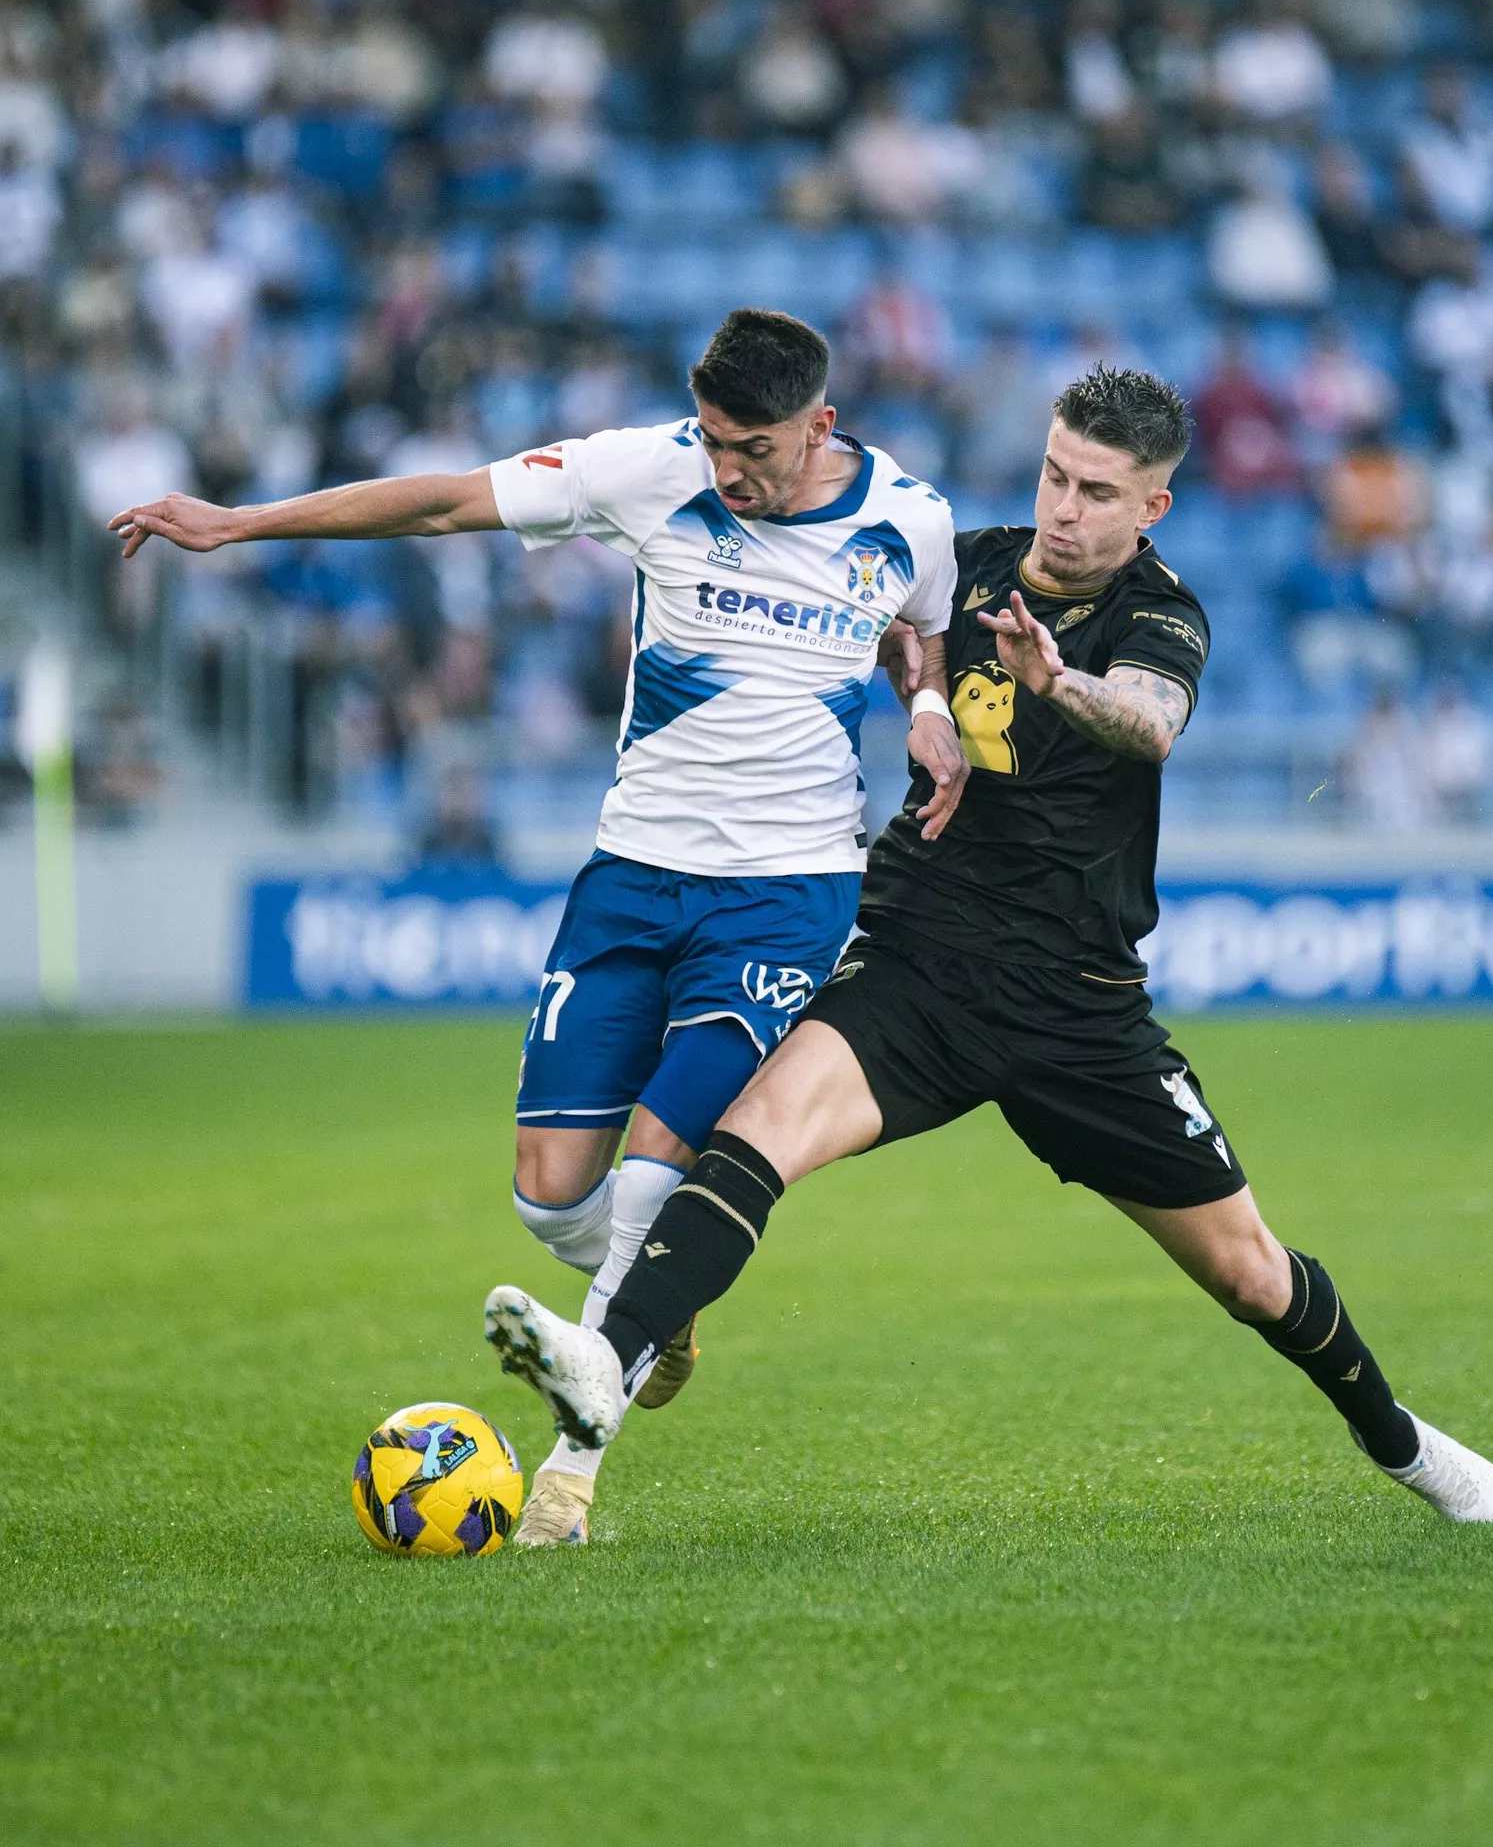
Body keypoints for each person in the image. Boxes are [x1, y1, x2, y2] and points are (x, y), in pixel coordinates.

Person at [486, 364, 1493, 1530]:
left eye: (1096, 490)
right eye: (1053, 474)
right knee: (750, 1137)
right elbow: (891, 634)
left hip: (1079, 1008)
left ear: (1152, 508)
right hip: (916, 962)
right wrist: (917, 684)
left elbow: (1152, 722)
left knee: (1249, 1270)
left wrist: (1059, 679)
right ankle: (583, 1433)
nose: (1064, 508)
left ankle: (1406, 1446)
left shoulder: (1161, 614)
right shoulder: (966, 559)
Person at [109, 306, 965, 1545]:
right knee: (554, 1194)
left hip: (788, 891)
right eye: (718, 440)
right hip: (631, 876)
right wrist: (242, 524)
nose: (731, 469)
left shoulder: (911, 517)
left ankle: (570, 1469)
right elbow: (446, 501)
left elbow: (916, 625)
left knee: (668, 1148)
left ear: (820, 425)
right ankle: (655, 1300)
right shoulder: (651, 471)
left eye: (757, 449)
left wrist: (928, 704)